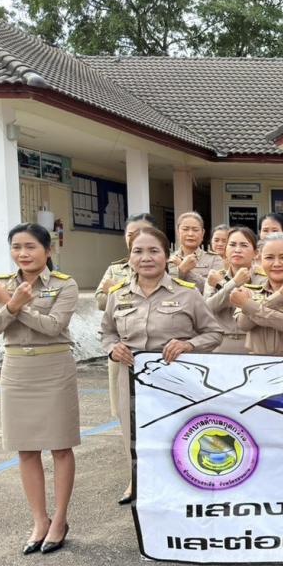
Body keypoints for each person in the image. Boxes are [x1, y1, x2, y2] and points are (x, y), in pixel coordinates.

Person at [101, 226, 223, 505]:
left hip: (176, 383)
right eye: (138, 251)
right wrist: (112, 348)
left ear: (166, 255)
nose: (146, 258)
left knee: (178, 439)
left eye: (153, 251)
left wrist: (188, 345)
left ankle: (184, 493)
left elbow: (214, 333)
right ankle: (139, 486)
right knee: (134, 438)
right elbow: (106, 332)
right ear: (130, 257)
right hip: (131, 381)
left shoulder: (187, 293)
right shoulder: (117, 294)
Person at [0, 224, 79, 555]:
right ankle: (39, 520)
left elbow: (53, 327)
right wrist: (10, 304)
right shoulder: (0, 285)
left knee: (61, 447)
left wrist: (12, 304)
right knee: (26, 449)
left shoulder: (64, 284)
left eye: (31, 246)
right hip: (17, 369)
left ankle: (60, 520)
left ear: (48, 251)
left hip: (54, 368)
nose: (23, 253)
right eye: (17, 247)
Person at [94, 213, 158, 421]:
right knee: (125, 412)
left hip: (157, 350)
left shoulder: (164, 265)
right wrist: (118, 294)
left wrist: (118, 291)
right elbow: (100, 301)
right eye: (131, 233)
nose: (135, 237)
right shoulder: (115, 269)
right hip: (123, 349)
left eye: (142, 232)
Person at [204, 227, 265, 354]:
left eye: (244, 245)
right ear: (225, 250)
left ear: (255, 253)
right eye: (232, 245)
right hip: (221, 344)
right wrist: (233, 283)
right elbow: (207, 309)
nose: (237, 250)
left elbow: (260, 312)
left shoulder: (264, 279)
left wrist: (222, 285)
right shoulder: (215, 276)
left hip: (254, 344)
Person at [169, 211, 224, 292]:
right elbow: (165, 288)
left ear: (203, 233)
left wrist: (186, 271)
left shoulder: (214, 259)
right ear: (178, 231)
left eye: (195, 230)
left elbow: (216, 288)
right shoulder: (168, 259)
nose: (190, 234)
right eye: (185, 229)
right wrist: (180, 270)